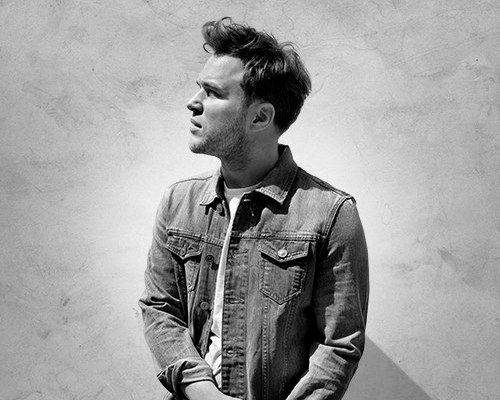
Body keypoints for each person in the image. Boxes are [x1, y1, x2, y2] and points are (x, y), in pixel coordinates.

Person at [139, 17, 369, 400]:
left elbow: (339, 344)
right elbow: (159, 309)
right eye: (199, 88)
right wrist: (201, 391)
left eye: (213, 93)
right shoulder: (180, 203)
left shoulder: (330, 214)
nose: (193, 102)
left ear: (260, 117)